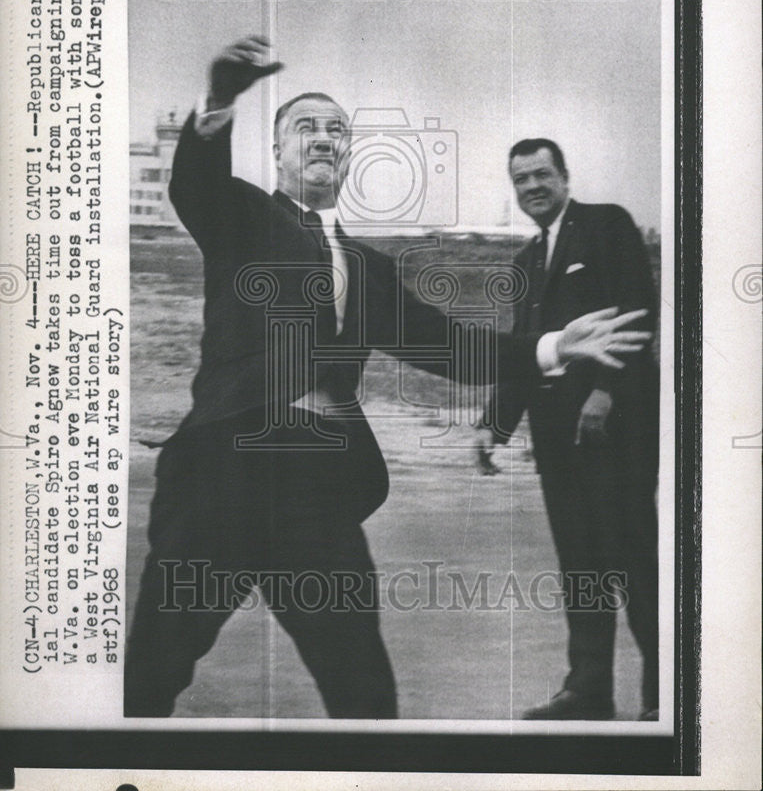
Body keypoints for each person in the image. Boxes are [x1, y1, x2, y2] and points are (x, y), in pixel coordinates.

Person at [124, 39, 652, 718]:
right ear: (279, 154)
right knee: (151, 679)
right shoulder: (245, 221)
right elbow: (194, 184)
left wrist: (552, 345)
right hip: (220, 484)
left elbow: (448, 345)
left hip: (316, 497)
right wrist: (221, 100)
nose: (322, 138)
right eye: (304, 128)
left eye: (335, 129)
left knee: (365, 694)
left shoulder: (368, 268)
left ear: (347, 156)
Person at [475, 138, 660, 721]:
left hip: (616, 431)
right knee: (579, 563)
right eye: (521, 179)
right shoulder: (525, 261)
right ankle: (588, 690)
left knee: (632, 562)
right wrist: (493, 427)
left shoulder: (606, 226)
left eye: (541, 174)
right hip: (556, 440)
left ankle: (668, 693)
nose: (532, 187)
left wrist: (607, 392)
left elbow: (638, 310)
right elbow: (526, 355)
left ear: (565, 176)